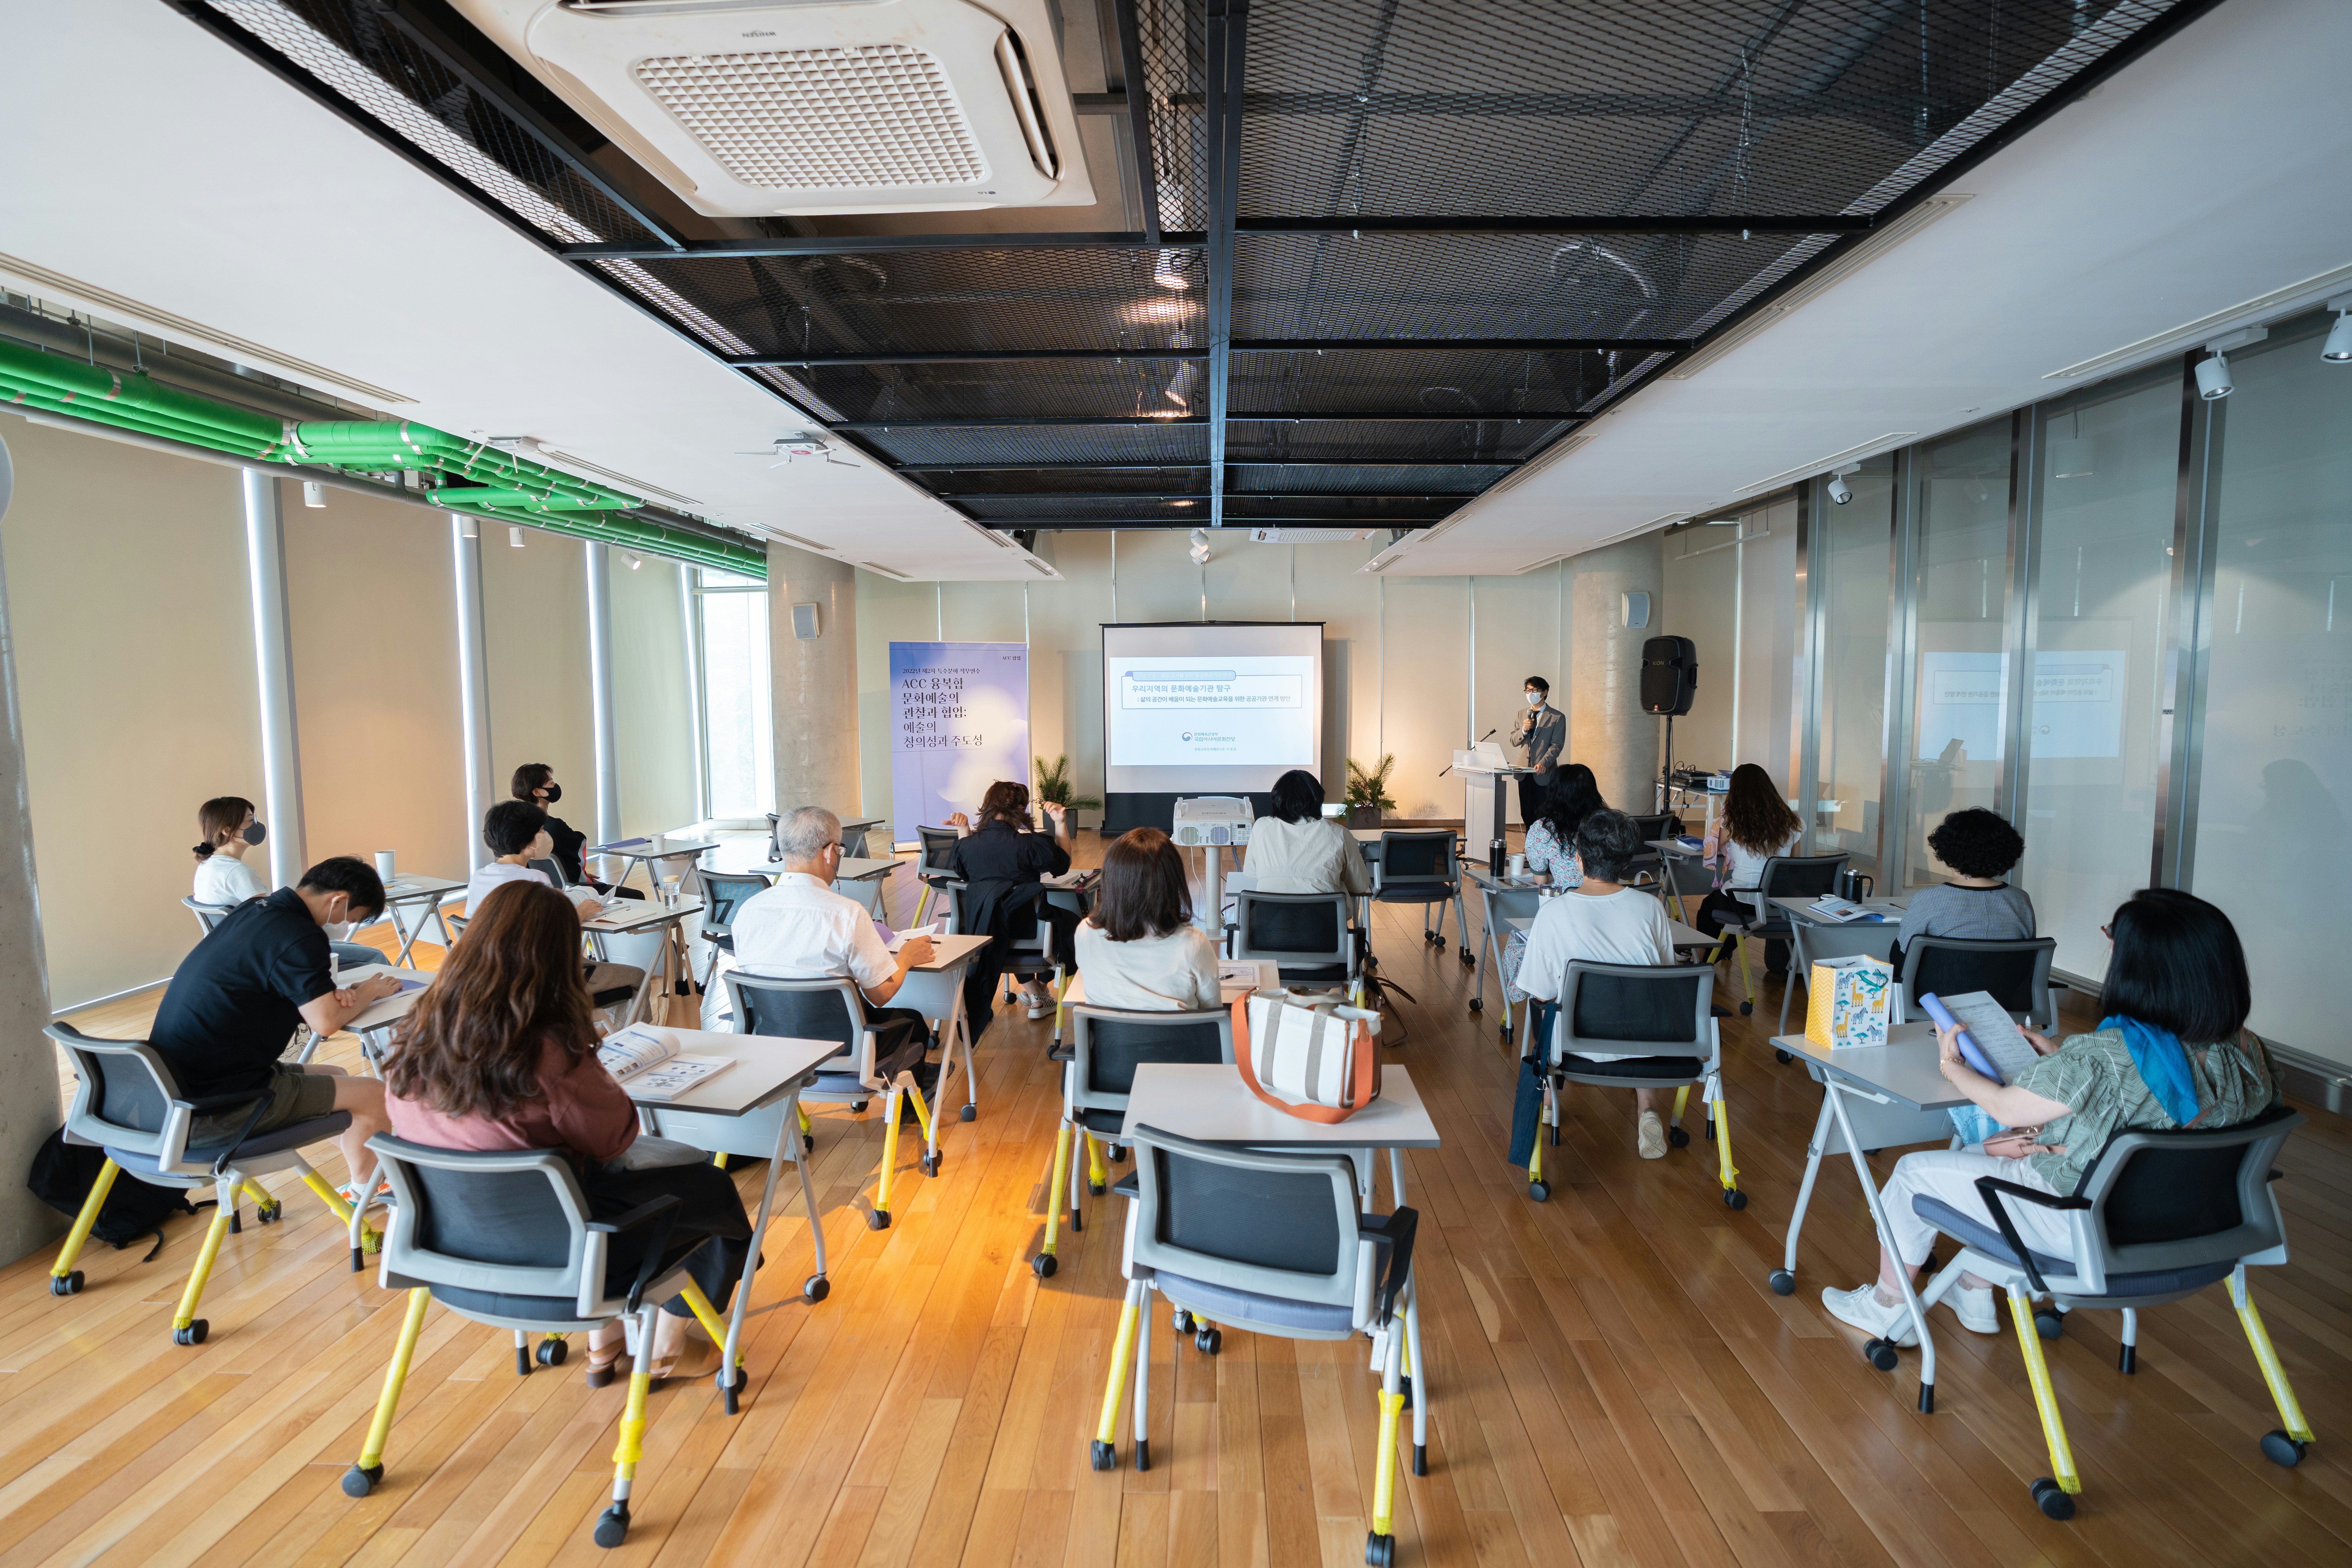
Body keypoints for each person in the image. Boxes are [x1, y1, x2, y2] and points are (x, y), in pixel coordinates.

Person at [1822, 888, 2280, 1344]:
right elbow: (2154, 1107)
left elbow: (2003, 1105)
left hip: (2083, 1226)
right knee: (1990, 1151)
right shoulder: (2249, 1050)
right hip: (2198, 1230)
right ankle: (1973, 1289)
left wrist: (1951, 1065)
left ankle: (1887, 1308)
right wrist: (2062, 1059)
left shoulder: (2103, 1056)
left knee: (1910, 1174)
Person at [380, 879, 751, 1387]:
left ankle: (605, 1344)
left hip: (449, 1249)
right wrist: (591, 1066)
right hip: (569, 1254)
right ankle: (666, 1342)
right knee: (711, 1190)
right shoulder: (547, 1048)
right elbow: (615, 1139)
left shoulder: (416, 1033)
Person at [147, 855, 402, 1205]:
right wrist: (371, 990)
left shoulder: (255, 910)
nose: (346, 925)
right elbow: (325, 1022)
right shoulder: (299, 936)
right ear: (339, 901)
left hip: (174, 1088)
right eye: (351, 918)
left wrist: (332, 997)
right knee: (375, 1095)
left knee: (336, 1073)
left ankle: (371, 1170)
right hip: (218, 1105)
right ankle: (366, 1193)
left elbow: (269, 986)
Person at [730, 806, 940, 1092]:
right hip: (841, 1050)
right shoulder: (847, 914)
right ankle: (905, 1108)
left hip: (772, 1046)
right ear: (831, 853)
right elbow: (881, 994)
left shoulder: (748, 911)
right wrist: (906, 957)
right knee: (913, 1022)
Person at [1512, 810, 1682, 1161]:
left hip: (1575, 1042)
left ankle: (1546, 1099)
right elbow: (1665, 979)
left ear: (1577, 858)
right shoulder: (1651, 908)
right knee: (1641, 1002)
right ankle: (1647, 1105)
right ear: (1625, 861)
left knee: (1539, 1002)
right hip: (1645, 1039)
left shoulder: (1553, 913)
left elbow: (1541, 992)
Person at [1891, 807, 2038, 1146]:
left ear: (1948, 850)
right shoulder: (2019, 901)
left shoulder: (1930, 899)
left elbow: (1901, 956)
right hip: (2000, 1006)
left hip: (1938, 1006)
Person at [465, 801, 642, 1003]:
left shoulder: (479, 878)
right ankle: (618, 1033)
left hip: (492, 981)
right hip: (542, 982)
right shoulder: (535, 880)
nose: (545, 835)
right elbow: (551, 935)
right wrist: (580, 913)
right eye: (541, 830)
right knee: (637, 977)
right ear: (527, 838)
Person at [191, 795, 382, 972]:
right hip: (269, 952)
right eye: (250, 821)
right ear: (227, 830)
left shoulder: (207, 865)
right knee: (374, 956)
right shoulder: (237, 872)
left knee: (353, 947)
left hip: (234, 951)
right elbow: (273, 919)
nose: (257, 825)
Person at [947, 780, 1075, 1025]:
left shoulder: (968, 847)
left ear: (986, 806)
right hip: (1030, 937)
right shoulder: (1030, 845)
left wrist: (963, 830)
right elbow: (1063, 864)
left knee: (1002, 915)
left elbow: (965, 874)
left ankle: (1037, 992)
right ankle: (1041, 990)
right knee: (1069, 920)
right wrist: (1059, 822)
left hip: (982, 938)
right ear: (1021, 809)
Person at [1075, 828, 1221, 1011]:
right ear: (1172, 883)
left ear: (1111, 880)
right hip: (1179, 1039)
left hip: (1110, 1040)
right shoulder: (1193, 944)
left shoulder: (1085, 932)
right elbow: (1213, 1013)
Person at [1498, 765, 1605, 1006]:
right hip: (1608, 925)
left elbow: (1541, 880)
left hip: (1565, 925)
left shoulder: (1542, 830)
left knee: (1518, 944)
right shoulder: (1607, 827)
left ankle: (1541, 1009)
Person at [1694, 762, 1804, 974]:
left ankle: (1700, 965)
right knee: (1727, 912)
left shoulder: (1731, 822)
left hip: (1743, 901)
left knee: (1709, 907)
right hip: (1778, 903)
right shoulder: (1793, 822)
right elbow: (1794, 866)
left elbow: (1712, 847)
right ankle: (1713, 958)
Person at [512, 762, 641, 898]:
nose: (555, 786)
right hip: (576, 890)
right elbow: (578, 844)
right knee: (638, 896)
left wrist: (571, 874)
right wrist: (578, 877)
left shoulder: (519, 828)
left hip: (550, 889)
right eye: (551, 783)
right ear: (537, 792)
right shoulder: (555, 827)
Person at [1243, 769, 1371, 897]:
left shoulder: (1261, 828)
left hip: (1269, 917)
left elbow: (1253, 874)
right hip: (1325, 917)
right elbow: (1360, 887)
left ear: (1278, 798)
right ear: (1318, 799)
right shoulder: (1338, 834)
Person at [1504, 675, 1567, 826]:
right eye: (1527, 690)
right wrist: (1524, 730)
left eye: (1534, 690)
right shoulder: (1521, 714)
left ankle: (1542, 846)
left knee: (1543, 812)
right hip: (1524, 772)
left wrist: (1544, 763)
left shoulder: (1557, 717)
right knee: (1526, 812)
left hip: (1543, 772)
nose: (1530, 694)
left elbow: (1557, 745)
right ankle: (1529, 845)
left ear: (1544, 692)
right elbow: (1513, 740)